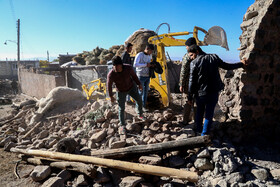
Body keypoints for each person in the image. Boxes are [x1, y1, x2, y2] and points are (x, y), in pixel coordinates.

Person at [187, 44, 248, 136]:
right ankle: (205, 134)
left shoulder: (194, 63)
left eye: (191, 55)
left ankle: (198, 132)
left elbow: (192, 81)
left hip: (200, 94)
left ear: (197, 52)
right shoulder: (214, 57)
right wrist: (241, 64)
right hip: (213, 92)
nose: (191, 58)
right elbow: (226, 66)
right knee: (209, 114)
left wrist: (189, 96)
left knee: (199, 112)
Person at [107, 56, 145, 136]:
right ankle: (122, 125)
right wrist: (111, 96)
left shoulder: (128, 68)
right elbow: (109, 86)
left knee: (139, 100)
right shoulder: (111, 74)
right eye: (114, 66)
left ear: (121, 65)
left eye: (117, 66)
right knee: (121, 108)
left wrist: (139, 84)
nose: (115, 68)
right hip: (120, 91)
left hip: (131, 87)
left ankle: (140, 114)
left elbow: (134, 76)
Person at [179, 37, 206, 124]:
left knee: (188, 101)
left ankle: (185, 120)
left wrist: (181, 84)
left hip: (188, 83)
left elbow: (184, 71)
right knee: (197, 103)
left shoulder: (188, 55)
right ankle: (196, 121)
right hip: (201, 84)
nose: (186, 48)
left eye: (186, 46)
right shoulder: (204, 54)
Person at [134, 44, 155, 112]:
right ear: (147, 49)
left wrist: (152, 65)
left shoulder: (149, 55)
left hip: (147, 76)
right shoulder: (140, 55)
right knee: (140, 92)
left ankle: (143, 106)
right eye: (151, 51)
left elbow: (149, 63)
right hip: (140, 76)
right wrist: (145, 65)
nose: (151, 53)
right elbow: (135, 64)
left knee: (145, 92)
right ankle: (138, 107)